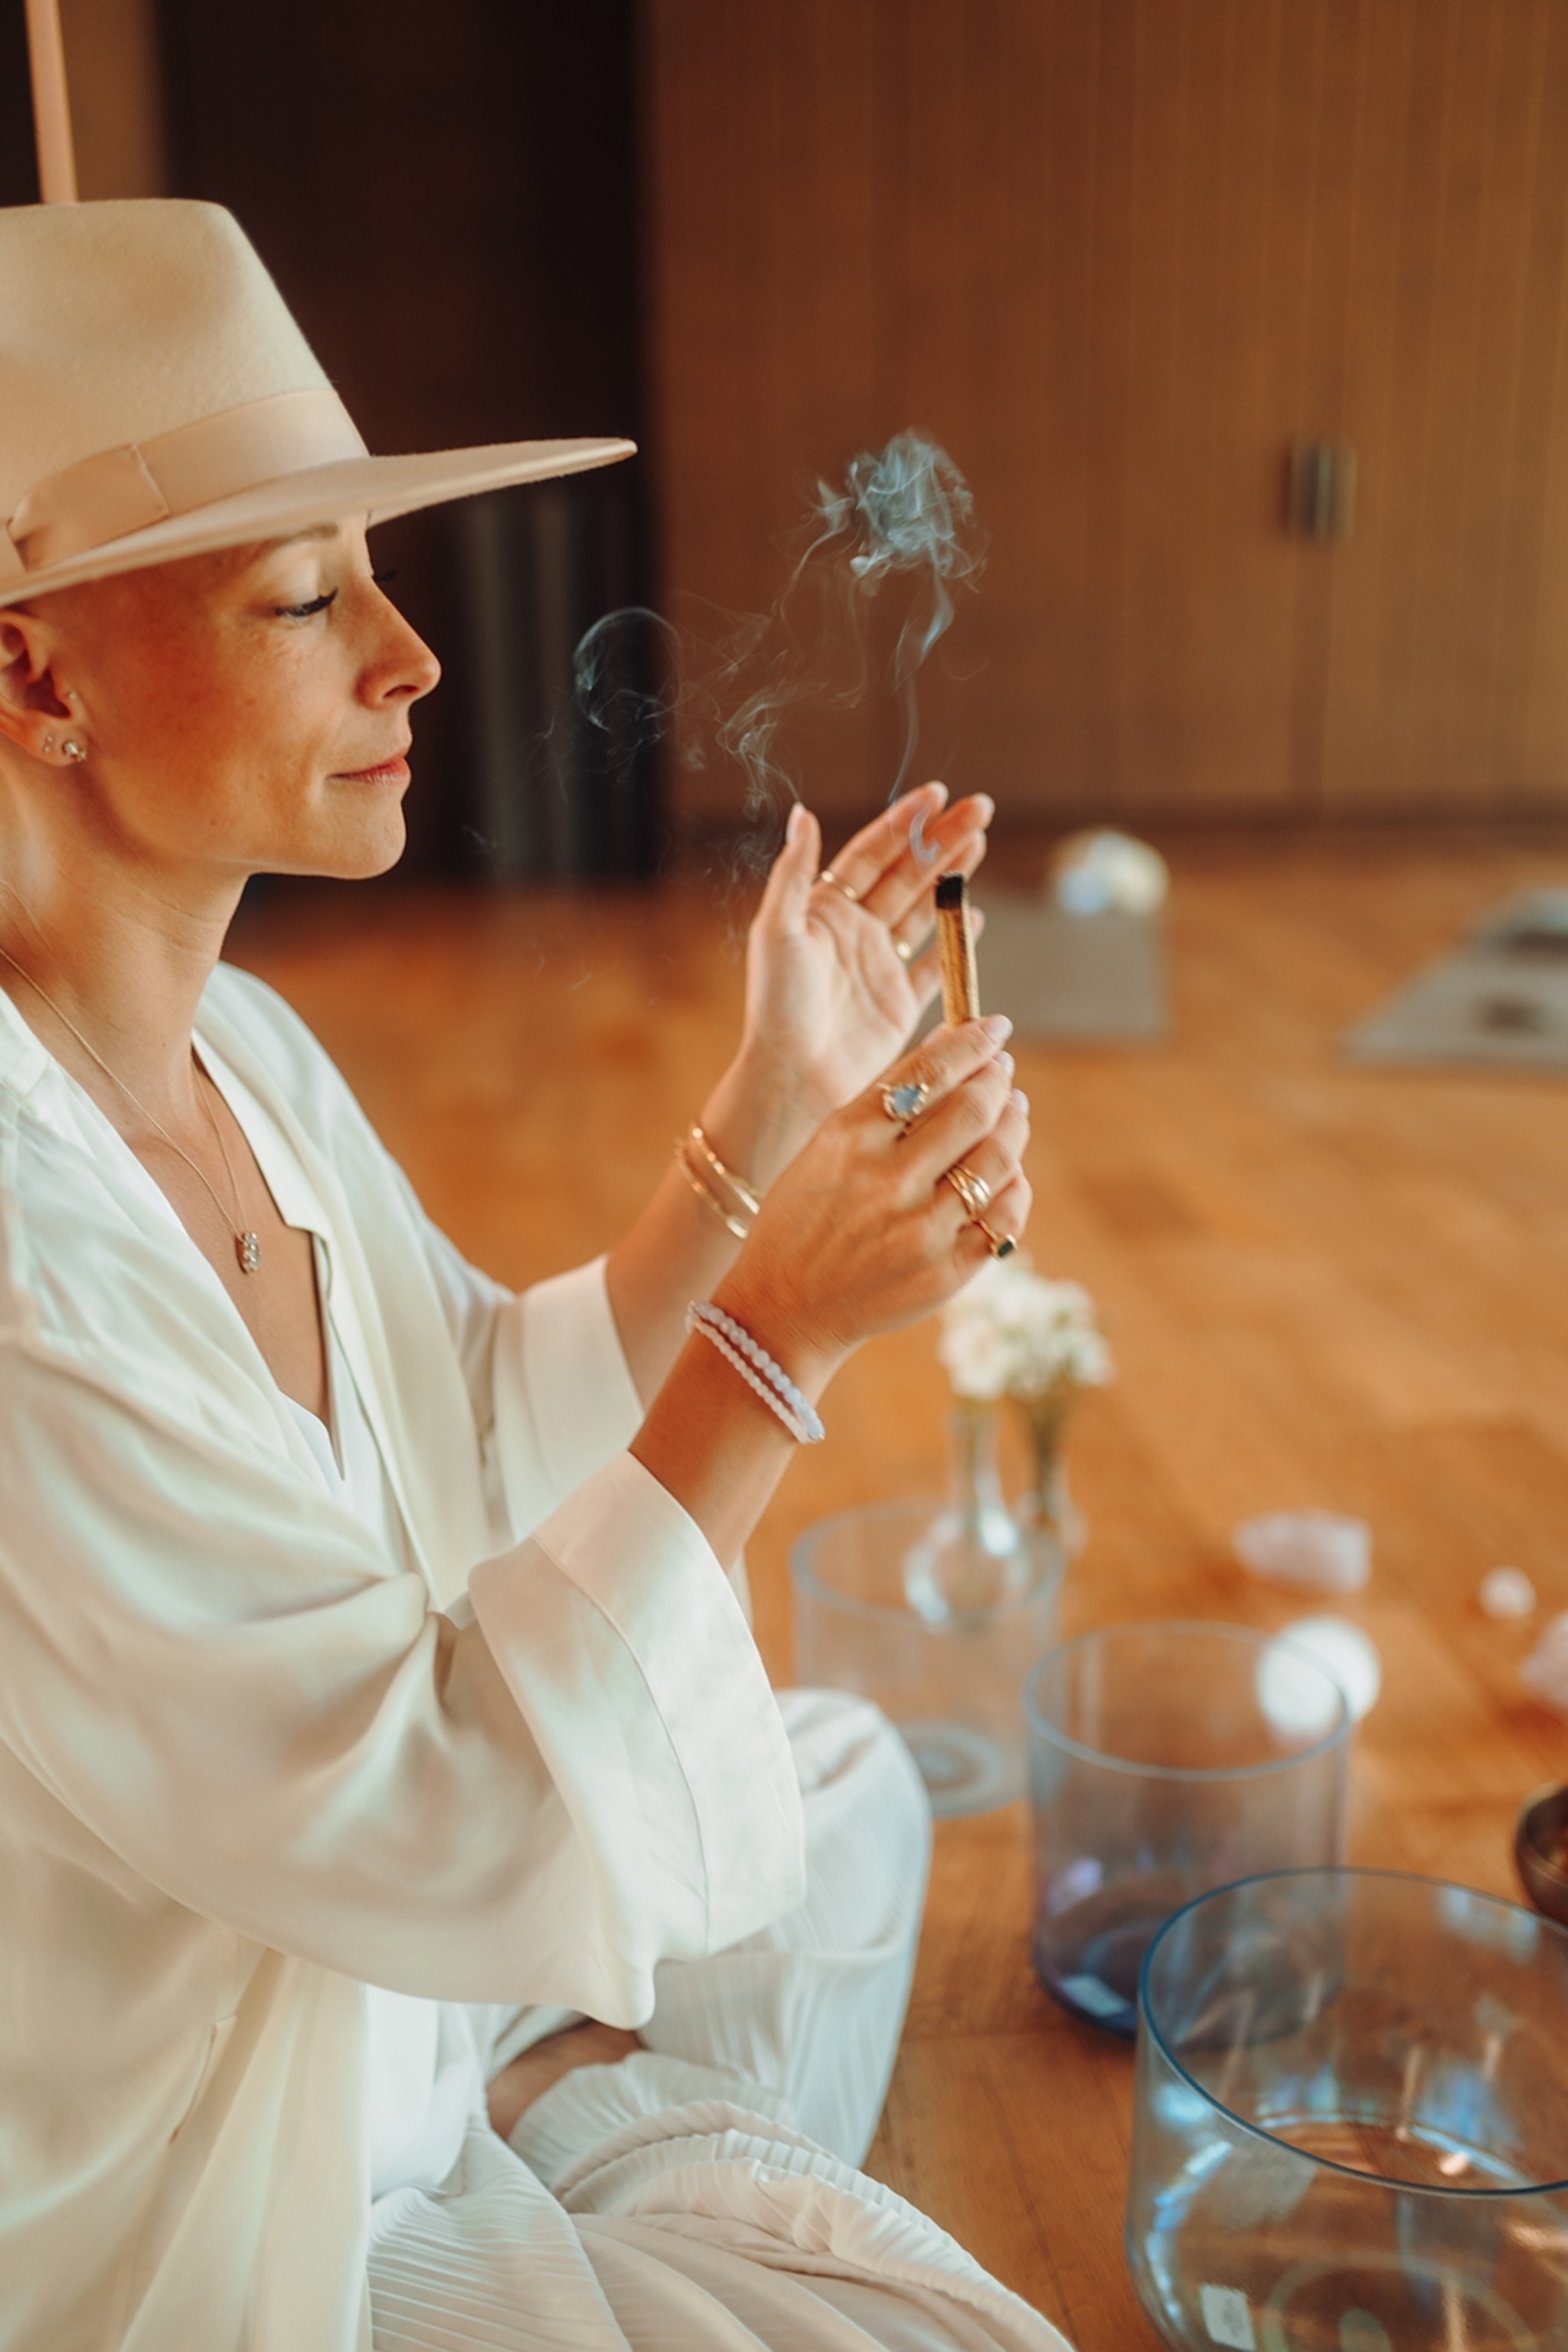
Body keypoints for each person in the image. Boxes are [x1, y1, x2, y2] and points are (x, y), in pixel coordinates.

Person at [0, 200, 1067, 2352]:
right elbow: (445, 1803)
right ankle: (567, 2111)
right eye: (309, 596)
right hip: (238, 2204)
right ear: (36, 675)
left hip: (391, 1945)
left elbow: (476, 1417)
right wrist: (775, 1341)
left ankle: (563, 2091)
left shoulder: (250, 1058)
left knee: (842, 1774)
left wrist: (773, 1101)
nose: (410, 654)